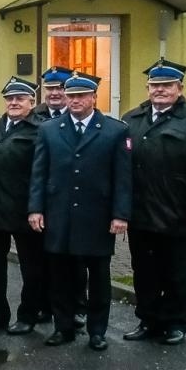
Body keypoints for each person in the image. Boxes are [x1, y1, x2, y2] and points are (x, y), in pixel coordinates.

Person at [121, 59, 186, 345]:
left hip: (178, 212)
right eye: (155, 86)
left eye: (167, 85)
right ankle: (149, 320)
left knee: (176, 271)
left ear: (179, 88)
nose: (160, 90)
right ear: (147, 88)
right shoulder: (132, 120)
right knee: (144, 271)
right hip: (141, 212)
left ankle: (176, 322)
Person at [29, 72, 132, 351]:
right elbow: (39, 173)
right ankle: (63, 327)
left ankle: (97, 331)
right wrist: (35, 209)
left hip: (96, 216)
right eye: (71, 95)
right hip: (59, 213)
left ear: (93, 98)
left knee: (98, 276)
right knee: (60, 275)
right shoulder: (49, 129)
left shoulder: (115, 130)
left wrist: (120, 214)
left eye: (81, 96)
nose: (75, 100)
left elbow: (123, 178)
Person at [0, 77, 48, 334]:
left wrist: (36, 208)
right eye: (9, 98)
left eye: (20, 98)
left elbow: (43, 173)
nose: (14, 102)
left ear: (32, 101)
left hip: (24, 211)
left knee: (32, 268)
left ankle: (28, 315)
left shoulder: (42, 129)